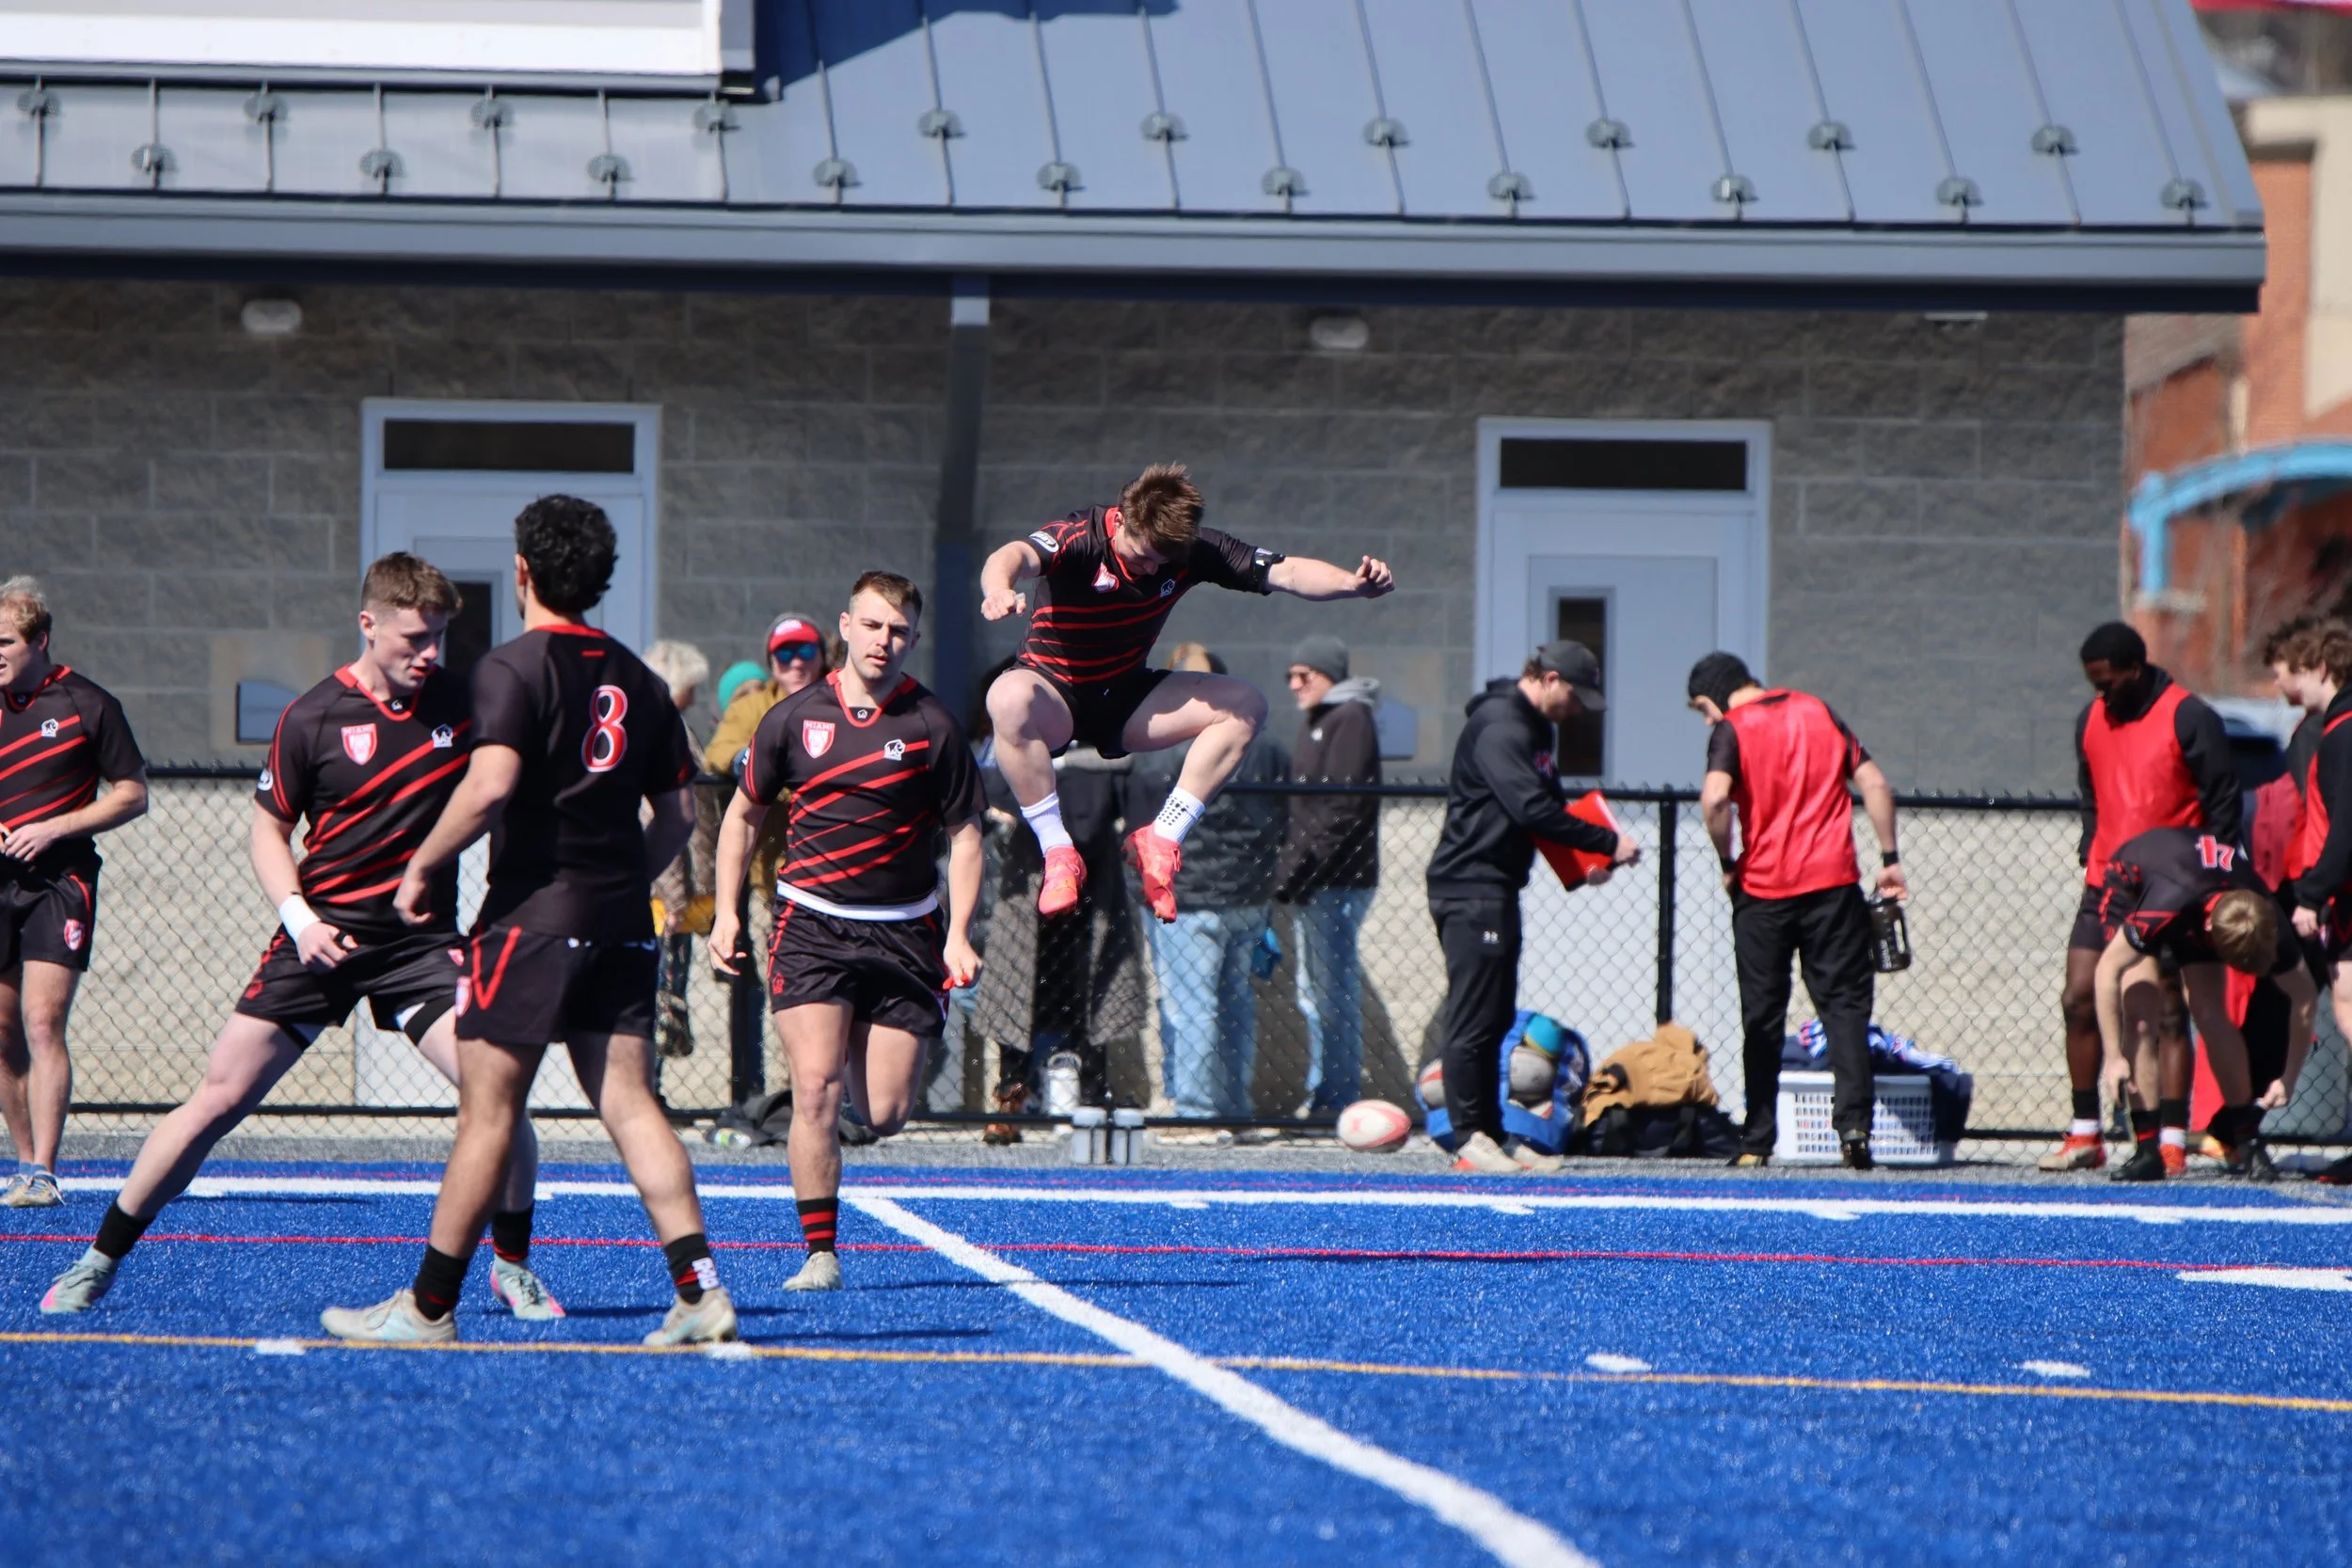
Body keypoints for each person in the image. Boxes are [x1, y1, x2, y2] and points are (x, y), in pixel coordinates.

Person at [40, 556, 559, 1317]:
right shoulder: (312, 716)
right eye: (415, 637)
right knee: (217, 1099)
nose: (430, 654)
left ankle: (511, 1265)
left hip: (419, 948)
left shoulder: (465, 704)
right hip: (320, 940)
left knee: (500, 1095)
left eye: (440, 637)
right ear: (368, 623)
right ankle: (100, 1256)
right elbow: (268, 830)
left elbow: (510, 792)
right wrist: (301, 919)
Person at [320, 495, 731, 1346]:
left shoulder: (511, 667)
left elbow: (491, 784)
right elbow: (682, 817)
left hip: (531, 922)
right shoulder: (643, 679)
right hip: (620, 922)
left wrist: (423, 864)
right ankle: (700, 1292)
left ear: (522, 572)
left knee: (488, 1113)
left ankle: (429, 1307)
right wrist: (620, 881)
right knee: (630, 1101)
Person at [708, 572, 983, 1291]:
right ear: (846, 625)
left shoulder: (933, 724)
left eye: (898, 630)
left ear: (913, 639)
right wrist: (729, 911)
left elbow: (966, 833)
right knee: (816, 1089)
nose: (883, 640)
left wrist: (957, 933)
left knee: (885, 1112)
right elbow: (742, 814)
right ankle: (820, 1251)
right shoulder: (793, 717)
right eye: (871, 625)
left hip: (904, 934)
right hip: (811, 924)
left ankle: (874, 1049)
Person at [979, 463, 1393, 925]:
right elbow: (1012, 554)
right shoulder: (1082, 536)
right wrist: (999, 590)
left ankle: (1161, 837)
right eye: (1142, 556)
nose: (1151, 569)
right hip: (1055, 693)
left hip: (1124, 699)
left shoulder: (1193, 550)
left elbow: (1288, 571)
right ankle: (1058, 850)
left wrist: (1352, 585)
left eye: (1162, 562)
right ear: (1123, 521)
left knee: (1246, 705)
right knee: (1007, 697)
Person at [1425, 641, 1637, 1175]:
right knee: (1473, 1017)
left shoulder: (1542, 729)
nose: (1577, 708)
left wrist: (1580, 864)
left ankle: (1494, 1133)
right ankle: (1468, 1137)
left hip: (1498, 887)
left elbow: (1545, 811)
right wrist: (1609, 842)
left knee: (1496, 1016)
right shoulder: (1502, 724)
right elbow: (1529, 806)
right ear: (1546, 678)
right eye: (1573, 693)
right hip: (1468, 887)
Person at [1687, 652, 1903, 1171]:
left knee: (1761, 1014)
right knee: (1845, 1010)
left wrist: (1727, 858)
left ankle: (1756, 1140)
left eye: (1702, 709)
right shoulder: (1818, 711)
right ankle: (1853, 1127)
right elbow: (1873, 782)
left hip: (1764, 892)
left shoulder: (1732, 729)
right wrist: (1890, 858)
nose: (1708, 720)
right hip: (1832, 886)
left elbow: (1715, 799)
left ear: (1715, 693)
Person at [2046, 622, 2239, 1175]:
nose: (2100, 694)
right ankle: (2086, 1132)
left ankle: (2170, 1137)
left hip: (2175, 889)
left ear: (2134, 668)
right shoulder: (2090, 720)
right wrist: (2090, 844)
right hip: (2107, 883)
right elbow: (2092, 791)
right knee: (2079, 997)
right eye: (2092, 684)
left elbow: (2223, 808)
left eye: (2107, 682)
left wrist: (2211, 881)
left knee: (2168, 1012)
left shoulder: (2189, 716)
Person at [0, 576, 148, 1208]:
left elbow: (133, 793)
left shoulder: (88, 703)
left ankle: (44, 1170)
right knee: (2, 1031)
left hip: (61, 882)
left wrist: (53, 826)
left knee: (41, 1020)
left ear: (41, 640)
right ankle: (22, 1162)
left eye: (4, 640)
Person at [2091, 827, 2316, 1182]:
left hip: (2205, 891)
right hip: (2141, 879)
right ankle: (2149, 1148)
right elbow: (2107, 970)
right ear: (2210, 930)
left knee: (2212, 1014)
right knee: (2141, 1010)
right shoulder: (2164, 903)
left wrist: (2288, 1078)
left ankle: (2247, 1140)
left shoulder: (2263, 913)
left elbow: (2303, 997)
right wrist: (2114, 1057)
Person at [1125, 645, 1287, 1120]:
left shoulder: (1157, 748)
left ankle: (1194, 1111)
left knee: (1189, 1005)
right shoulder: (1264, 745)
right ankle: (1234, 1108)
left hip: (1183, 894)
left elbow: (1140, 822)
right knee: (1235, 1001)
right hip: (1247, 893)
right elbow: (1281, 821)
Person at [1274, 633, 1382, 1117]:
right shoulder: (1319, 719)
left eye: (1305, 676)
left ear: (1331, 676)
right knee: (1313, 992)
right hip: (1315, 880)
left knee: (1331, 992)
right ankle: (1326, 1092)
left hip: (1335, 881)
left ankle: (1336, 1098)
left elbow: (1341, 807)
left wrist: (1300, 870)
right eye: (1290, 675)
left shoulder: (1350, 717)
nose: (1295, 684)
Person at [2284, 626, 2352, 1185]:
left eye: (2301, 669)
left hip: (2346, 896)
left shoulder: (2342, 733)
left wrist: (2313, 893)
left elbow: (2345, 826)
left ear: (2326, 670)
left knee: (2349, 1007)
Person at [644, 639, 716, 1070]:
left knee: (666, 992)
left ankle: (652, 1084)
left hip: (677, 893)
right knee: (661, 993)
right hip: (665, 899)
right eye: (691, 684)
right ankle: (648, 1086)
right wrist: (673, 900)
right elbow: (664, 820)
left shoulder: (668, 727)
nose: (696, 694)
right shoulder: (665, 732)